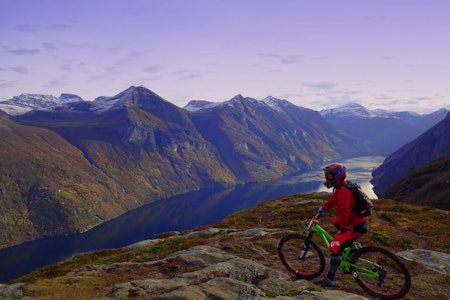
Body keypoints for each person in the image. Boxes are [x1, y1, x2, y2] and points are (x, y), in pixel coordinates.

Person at [314, 163, 369, 287]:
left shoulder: (342, 193)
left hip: (354, 226)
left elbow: (344, 214)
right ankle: (353, 249)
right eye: (326, 176)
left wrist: (343, 229)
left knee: (335, 248)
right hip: (360, 222)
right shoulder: (344, 186)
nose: (326, 179)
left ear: (337, 176)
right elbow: (333, 199)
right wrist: (322, 209)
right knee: (339, 230)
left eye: (329, 177)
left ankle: (330, 279)